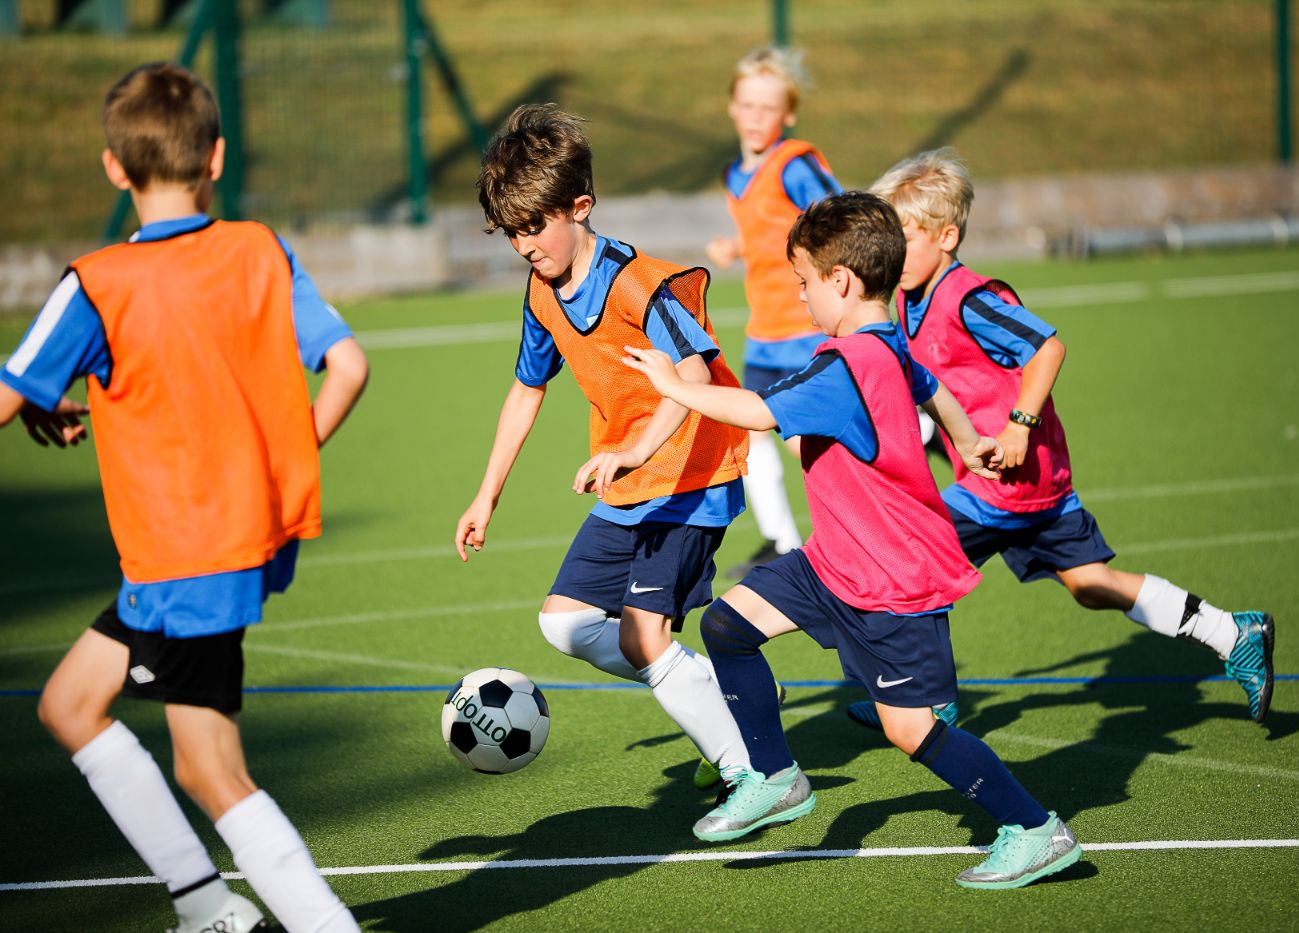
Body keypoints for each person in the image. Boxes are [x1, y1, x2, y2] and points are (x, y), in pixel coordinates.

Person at [624, 191, 1082, 890]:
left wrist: (671, 384)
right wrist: (967, 440)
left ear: (841, 281)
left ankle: (1033, 827)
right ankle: (777, 778)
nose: (800, 298)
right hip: (836, 558)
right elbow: (931, 385)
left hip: (891, 578)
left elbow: (753, 410)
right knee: (727, 624)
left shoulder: (842, 364)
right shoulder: (890, 342)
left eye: (804, 282)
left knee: (910, 731)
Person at [0, 64, 367, 932]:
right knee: (69, 705)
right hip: (229, 543)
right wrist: (278, 456)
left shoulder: (94, 282)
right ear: (217, 155)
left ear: (113, 169)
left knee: (212, 772)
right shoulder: (259, 248)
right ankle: (209, 910)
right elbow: (348, 365)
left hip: (185, 558)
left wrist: (32, 402)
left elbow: (8, 394)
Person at [843, 148, 1274, 734]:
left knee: (915, 562)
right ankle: (1233, 633)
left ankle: (926, 700)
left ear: (947, 237)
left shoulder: (971, 297)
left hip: (1012, 481)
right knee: (1091, 585)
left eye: (908, 239)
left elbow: (1047, 349)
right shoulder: (909, 299)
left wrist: (1018, 424)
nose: (895, 254)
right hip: (1021, 480)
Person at [455, 103, 756, 796]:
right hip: (633, 482)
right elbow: (527, 390)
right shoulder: (541, 292)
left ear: (579, 207)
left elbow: (695, 377)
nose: (524, 244)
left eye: (534, 226)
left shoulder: (639, 281)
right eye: (511, 232)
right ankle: (713, 698)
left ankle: (753, 769)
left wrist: (632, 450)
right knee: (565, 624)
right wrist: (485, 494)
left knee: (643, 638)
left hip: (694, 474)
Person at [706, 46, 841, 578]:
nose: (756, 117)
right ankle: (783, 541)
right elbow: (770, 230)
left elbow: (840, 219)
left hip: (807, 325)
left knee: (807, 437)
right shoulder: (734, 174)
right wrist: (737, 249)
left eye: (768, 107)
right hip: (765, 329)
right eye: (747, 105)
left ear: (789, 113)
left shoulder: (796, 164)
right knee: (751, 431)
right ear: (732, 107)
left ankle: (923, 438)